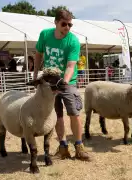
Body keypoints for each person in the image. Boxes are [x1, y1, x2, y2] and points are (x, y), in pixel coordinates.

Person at [33, 9, 91, 161]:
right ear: (56, 22)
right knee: (57, 115)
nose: (67, 28)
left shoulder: (73, 41)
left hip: (67, 82)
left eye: (70, 25)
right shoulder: (45, 35)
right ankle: (63, 147)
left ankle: (79, 147)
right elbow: (38, 54)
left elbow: (71, 66)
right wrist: (35, 75)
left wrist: (64, 82)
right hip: (48, 82)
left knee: (74, 113)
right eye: (64, 24)